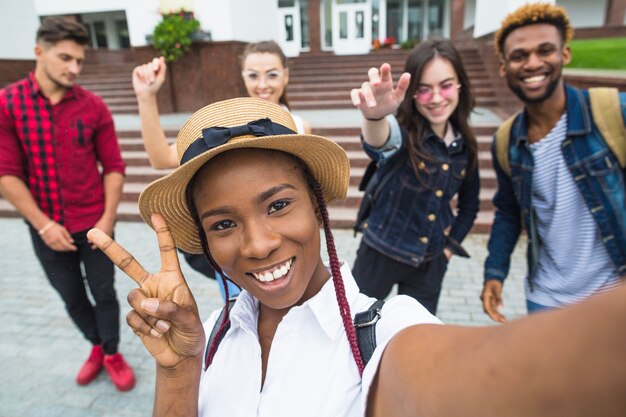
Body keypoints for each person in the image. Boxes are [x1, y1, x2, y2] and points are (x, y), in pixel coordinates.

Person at [88, 97, 626, 417]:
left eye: (278, 205)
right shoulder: (210, 337)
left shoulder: (386, 332)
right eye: (223, 224)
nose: (257, 244)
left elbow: (508, 377)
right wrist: (181, 369)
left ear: (320, 206)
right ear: (203, 243)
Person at [0, 17, 135, 391]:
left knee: (104, 292)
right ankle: (96, 346)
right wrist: (43, 224)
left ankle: (111, 353)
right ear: (39, 52)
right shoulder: (7, 103)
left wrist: (107, 220)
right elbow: (6, 173)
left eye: (79, 60)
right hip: (46, 227)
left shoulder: (93, 107)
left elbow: (114, 166)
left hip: (95, 223)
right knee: (72, 296)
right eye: (65, 58)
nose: (74, 68)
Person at [131, 40, 311, 300]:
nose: (263, 84)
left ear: (286, 74)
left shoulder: (301, 127)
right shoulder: (225, 126)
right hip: (238, 246)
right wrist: (146, 97)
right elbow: (160, 158)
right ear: (242, 76)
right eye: (253, 75)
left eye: (271, 74)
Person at [481, 2, 626, 323]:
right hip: (545, 299)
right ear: (504, 67)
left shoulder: (613, 112)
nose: (533, 63)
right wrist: (495, 272)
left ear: (565, 55)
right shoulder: (506, 141)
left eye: (545, 51)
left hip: (613, 296)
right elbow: (508, 211)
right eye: (519, 56)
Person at [348, 39, 480, 314]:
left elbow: (470, 206)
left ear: (459, 85)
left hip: (429, 262)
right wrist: (374, 118)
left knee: (416, 338)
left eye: (445, 85)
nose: (436, 98)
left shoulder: (465, 146)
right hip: (380, 253)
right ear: (412, 94)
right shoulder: (403, 132)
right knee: (356, 329)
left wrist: (447, 251)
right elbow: (380, 142)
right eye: (424, 90)